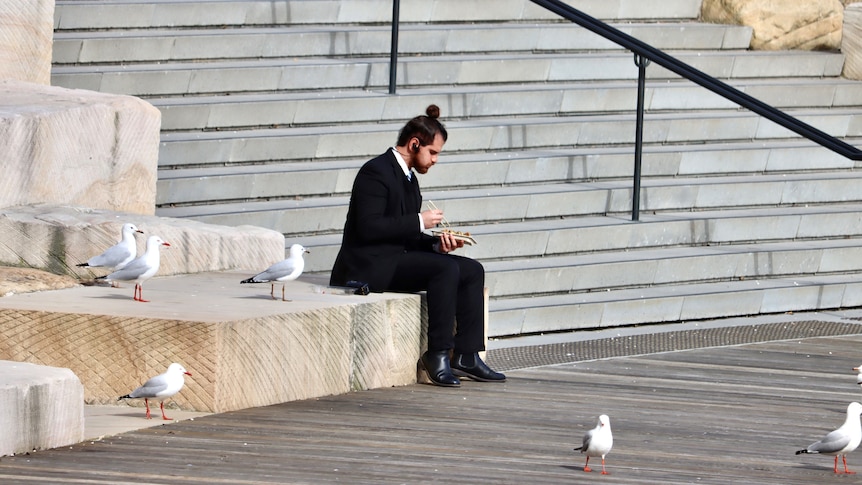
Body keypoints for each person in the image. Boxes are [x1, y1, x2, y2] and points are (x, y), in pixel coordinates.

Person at [330, 104, 506, 387]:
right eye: (433, 152)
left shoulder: (410, 178)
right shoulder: (375, 172)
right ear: (414, 143)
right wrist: (419, 221)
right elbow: (368, 227)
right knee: (445, 270)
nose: (435, 160)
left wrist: (438, 245)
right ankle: (437, 354)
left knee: (472, 269)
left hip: (395, 257)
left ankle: (467, 355)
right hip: (369, 266)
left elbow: (408, 234)